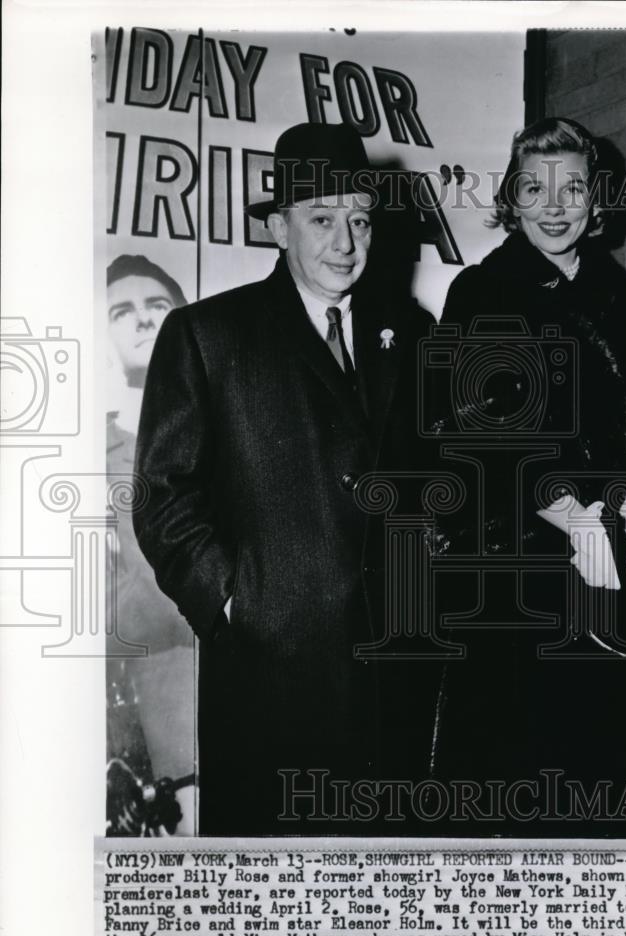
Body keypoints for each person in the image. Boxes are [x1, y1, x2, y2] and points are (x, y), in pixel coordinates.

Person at [133, 123, 435, 835]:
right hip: (273, 674)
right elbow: (162, 497)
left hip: (394, 669)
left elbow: (434, 471)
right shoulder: (208, 335)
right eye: (321, 219)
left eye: (359, 220)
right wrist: (235, 601)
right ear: (277, 229)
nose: (346, 242)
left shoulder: (410, 332)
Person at [432, 117, 626, 836]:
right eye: (534, 187)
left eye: (573, 187)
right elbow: (463, 438)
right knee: (538, 799)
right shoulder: (480, 296)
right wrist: (564, 511)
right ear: (511, 199)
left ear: (597, 201)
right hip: (526, 590)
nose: (555, 205)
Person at [105, 255, 196, 835]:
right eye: (123, 311)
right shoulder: (89, 454)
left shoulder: (241, 419)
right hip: (166, 687)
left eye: (157, 306)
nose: (142, 320)